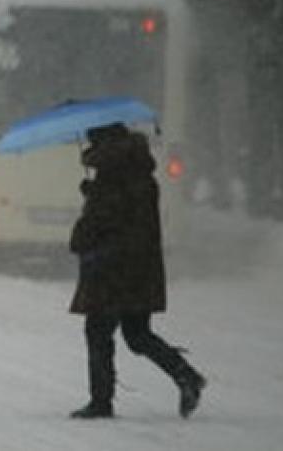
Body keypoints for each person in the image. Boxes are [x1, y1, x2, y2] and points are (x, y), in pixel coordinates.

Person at [68, 123, 206, 419]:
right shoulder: (140, 175)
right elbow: (129, 216)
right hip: (140, 268)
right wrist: (95, 193)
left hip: (112, 268)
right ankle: (186, 376)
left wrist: (84, 225)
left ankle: (101, 402)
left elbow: (101, 223)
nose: (91, 150)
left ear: (105, 144)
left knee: (98, 330)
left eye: (94, 143)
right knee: (138, 333)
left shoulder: (112, 179)